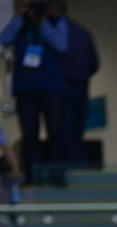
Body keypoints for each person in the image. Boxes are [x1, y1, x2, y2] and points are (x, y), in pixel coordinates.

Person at [0, 1, 68, 181]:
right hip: (25, 88)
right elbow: (3, 40)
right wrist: (19, 18)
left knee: (55, 132)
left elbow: (61, 45)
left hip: (51, 87)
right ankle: (31, 174)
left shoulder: (56, 21)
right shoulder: (21, 24)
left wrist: (42, 23)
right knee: (30, 134)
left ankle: (56, 174)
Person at [53, 0, 98, 165]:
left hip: (63, 86)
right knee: (76, 128)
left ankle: (71, 164)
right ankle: (77, 162)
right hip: (79, 85)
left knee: (65, 129)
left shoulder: (53, 34)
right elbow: (94, 64)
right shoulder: (83, 33)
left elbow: (93, 63)